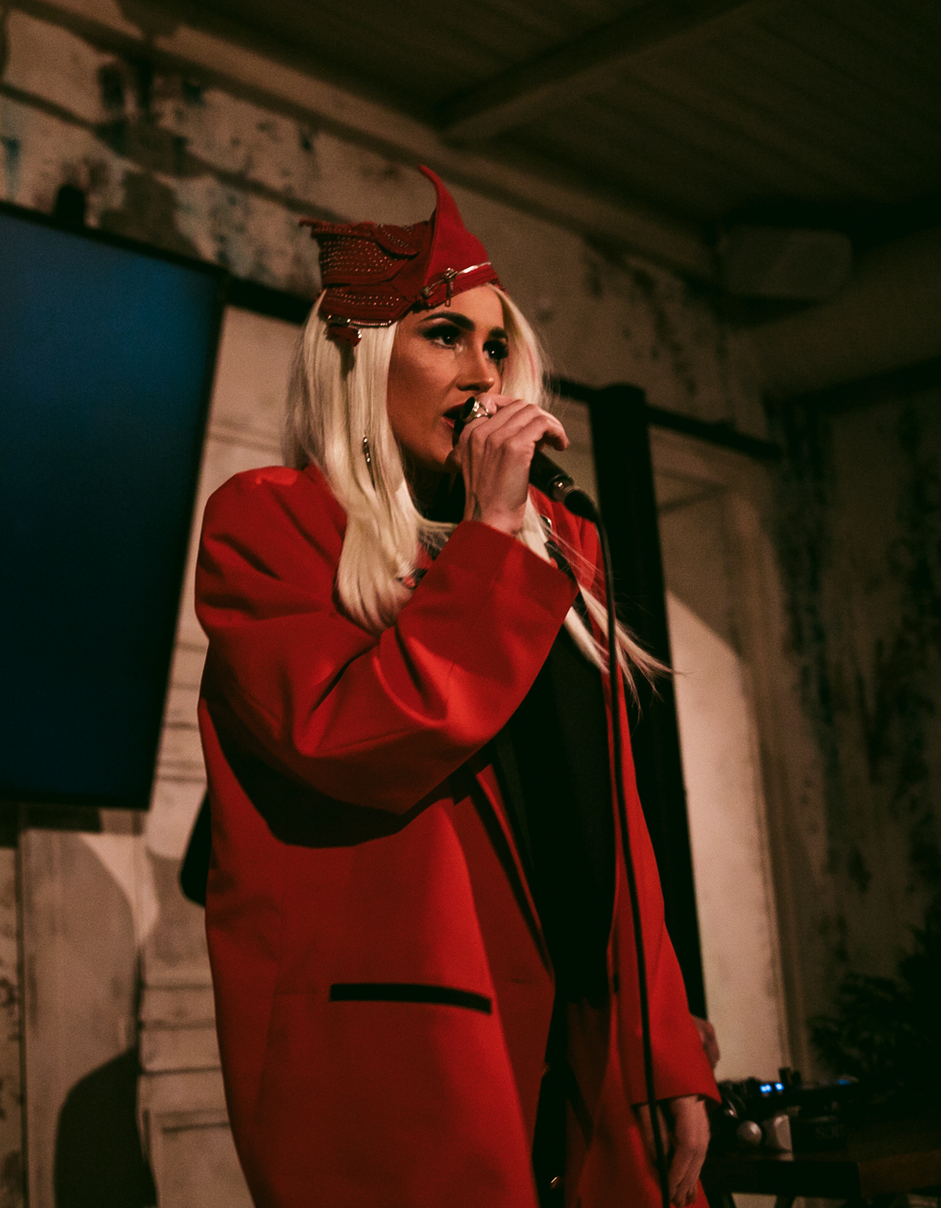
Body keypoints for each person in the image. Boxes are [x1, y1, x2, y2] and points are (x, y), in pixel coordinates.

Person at [193, 168, 717, 1207]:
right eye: (445, 335)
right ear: (360, 360)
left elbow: (614, 824)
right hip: (412, 1058)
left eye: (497, 345)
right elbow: (349, 739)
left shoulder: (550, 547)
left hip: (589, 1049)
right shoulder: (272, 521)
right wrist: (489, 533)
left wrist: (664, 1047)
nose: (483, 372)